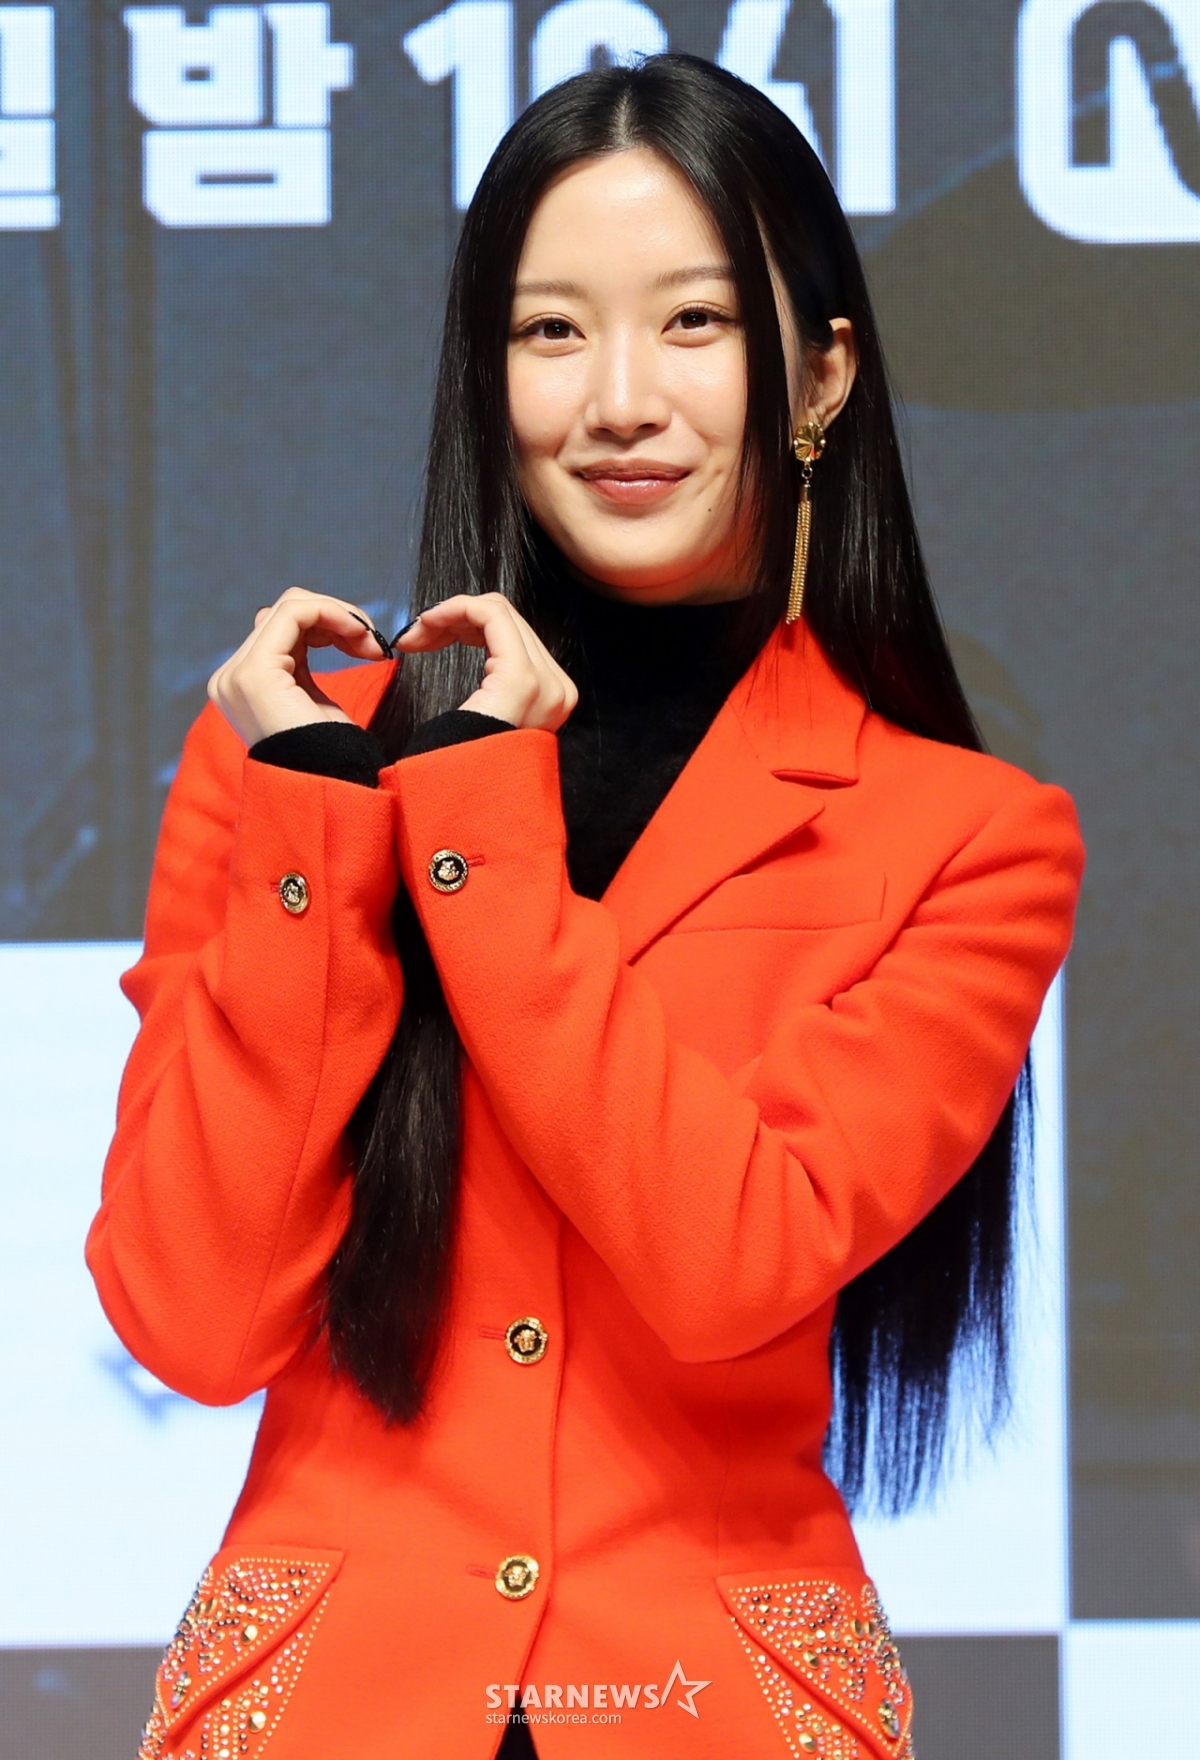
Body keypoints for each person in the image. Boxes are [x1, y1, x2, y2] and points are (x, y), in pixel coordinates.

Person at [89, 54, 1084, 1760]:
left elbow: (729, 1267)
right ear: (486, 376)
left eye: (695, 322)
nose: (620, 399)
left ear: (821, 371)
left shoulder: (968, 837)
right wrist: (326, 807)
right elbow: (195, 1318)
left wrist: (475, 831)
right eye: (550, 331)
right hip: (332, 1703)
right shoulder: (289, 758)